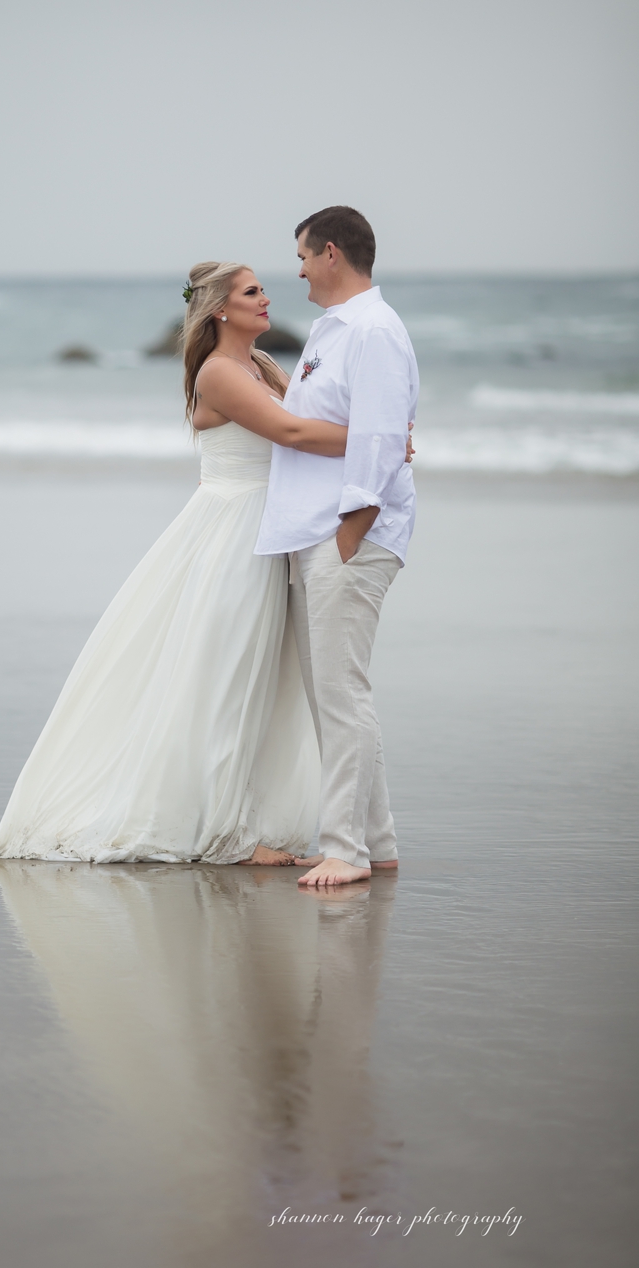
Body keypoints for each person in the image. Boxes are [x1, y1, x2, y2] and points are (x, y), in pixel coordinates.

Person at [0, 261, 395, 866]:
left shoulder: (263, 365)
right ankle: (228, 835)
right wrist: (377, 438)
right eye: (252, 292)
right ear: (220, 308)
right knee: (225, 679)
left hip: (267, 533)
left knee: (255, 684)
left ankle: (242, 817)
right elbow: (293, 432)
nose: (268, 297)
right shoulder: (220, 372)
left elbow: (303, 431)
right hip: (233, 536)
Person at [255, 207, 419, 889]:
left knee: (340, 694)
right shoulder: (335, 329)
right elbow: (315, 421)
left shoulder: (373, 331)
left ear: (330, 253)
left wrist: (349, 533)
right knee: (337, 695)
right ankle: (376, 842)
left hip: (345, 534)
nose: (295, 272)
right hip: (316, 531)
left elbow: (381, 437)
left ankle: (345, 849)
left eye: (301, 256)